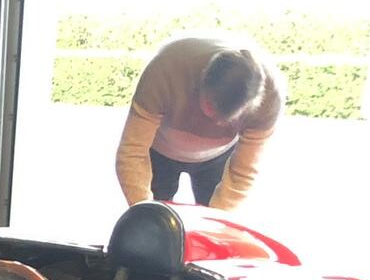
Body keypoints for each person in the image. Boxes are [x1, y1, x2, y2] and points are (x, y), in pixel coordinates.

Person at [114, 35, 283, 211]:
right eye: (210, 106)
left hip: (218, 157)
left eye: (226, 119)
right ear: (202, 80)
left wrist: (216, 220)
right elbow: (133, 151)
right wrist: (145, 211)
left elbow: (243, 172)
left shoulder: (269, 98)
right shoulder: (166, 69)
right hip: (159, 151)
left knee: (216, 215)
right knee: (153, 217)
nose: (214, 122)